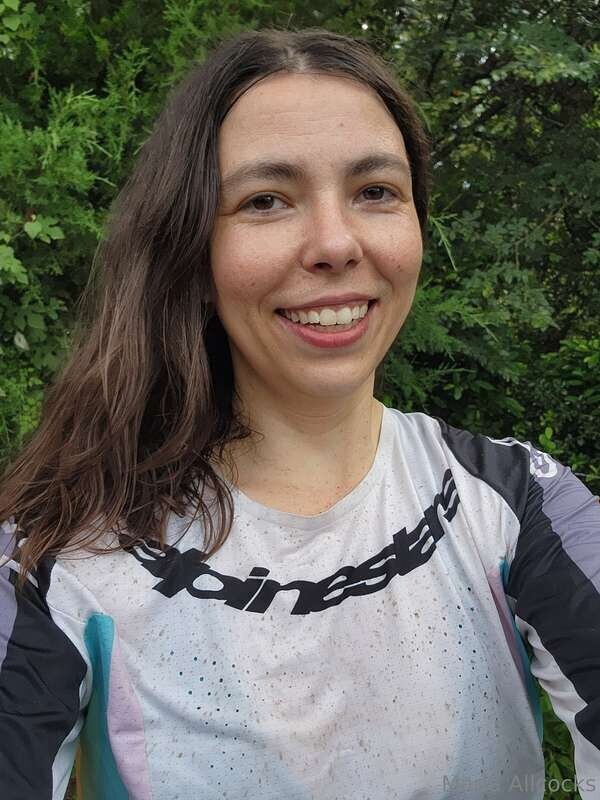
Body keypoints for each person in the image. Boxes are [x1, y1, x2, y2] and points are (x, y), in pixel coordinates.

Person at [0, 27, 598, 800]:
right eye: (266, 200)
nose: (335, 243)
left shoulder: (522, 505)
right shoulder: (52, 554)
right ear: (190, 249)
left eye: (375, 191)